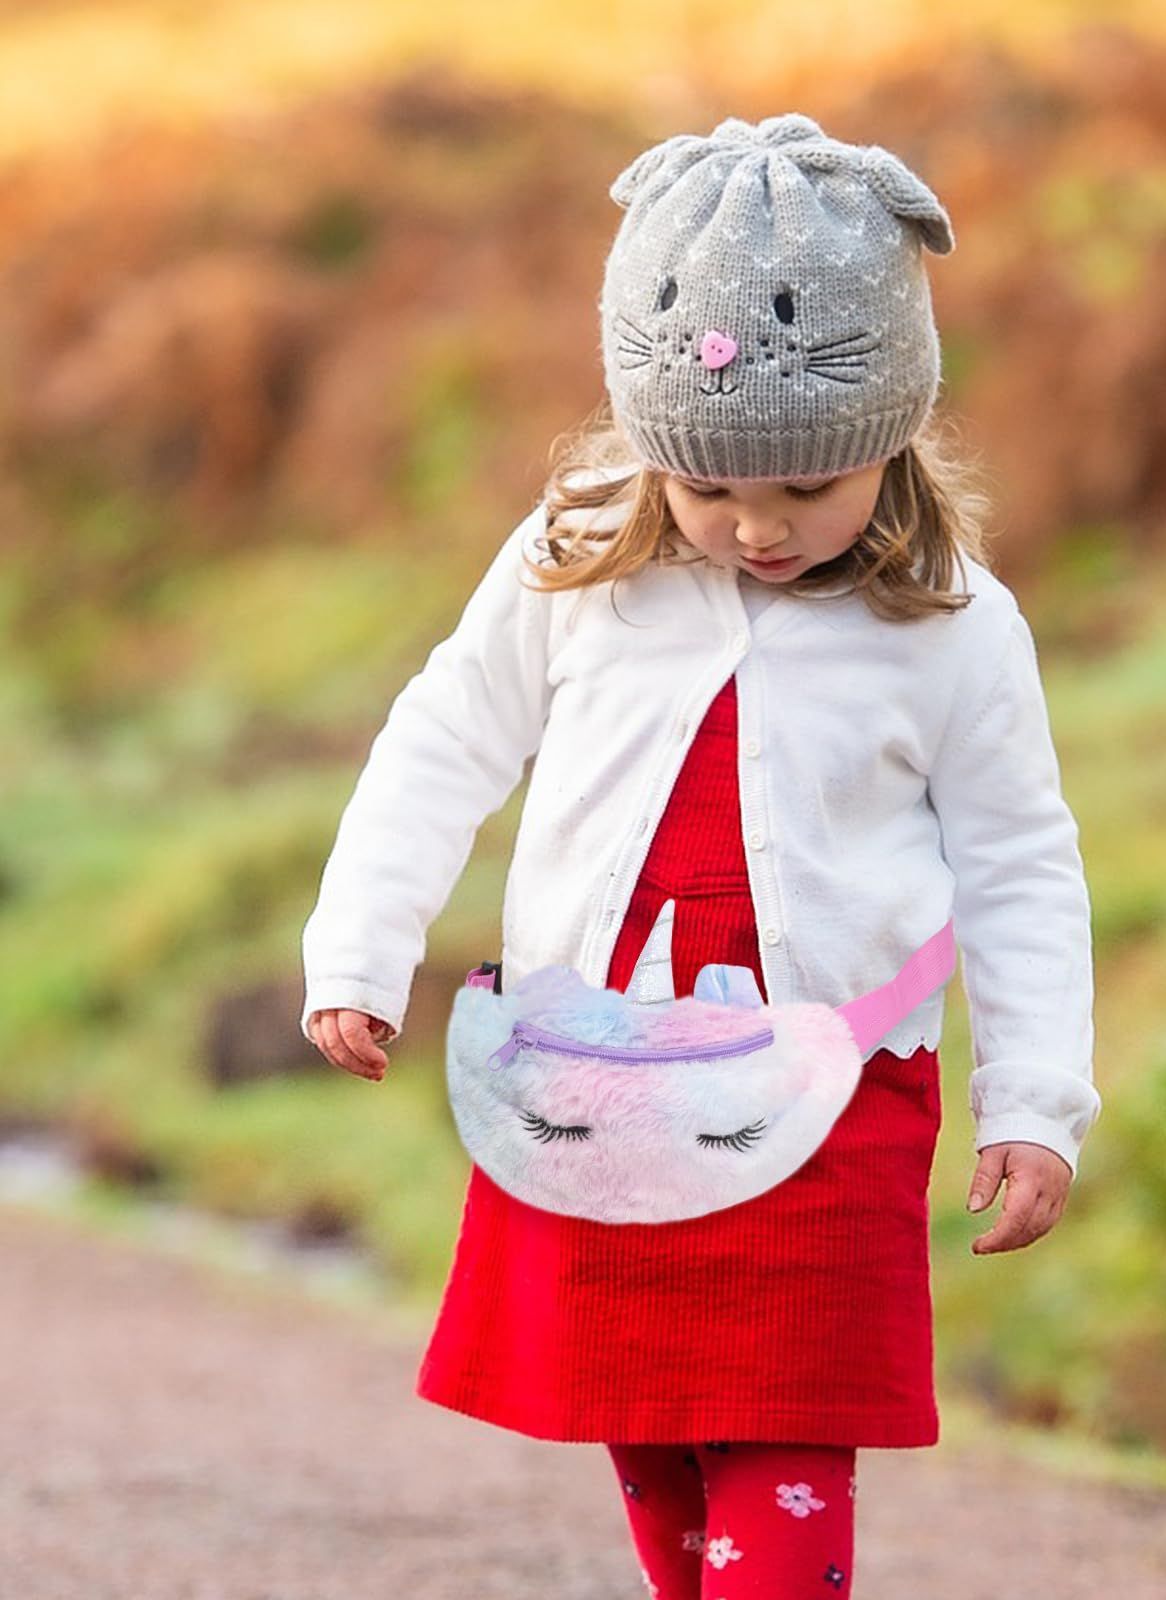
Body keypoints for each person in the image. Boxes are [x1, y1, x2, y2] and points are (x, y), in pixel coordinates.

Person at [300, 111, 1101, 1600]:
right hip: (598, 1070)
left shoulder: (952, 624)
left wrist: (1037, 1098)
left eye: (806, 489)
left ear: (889, 436)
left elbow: (1020, 863)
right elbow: (443, 743)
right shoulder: (575, 558)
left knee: (783, 1443)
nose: (758, 527)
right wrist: (358, 949)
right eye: (712, 488)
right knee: (655, 1437)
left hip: (834, 1093)